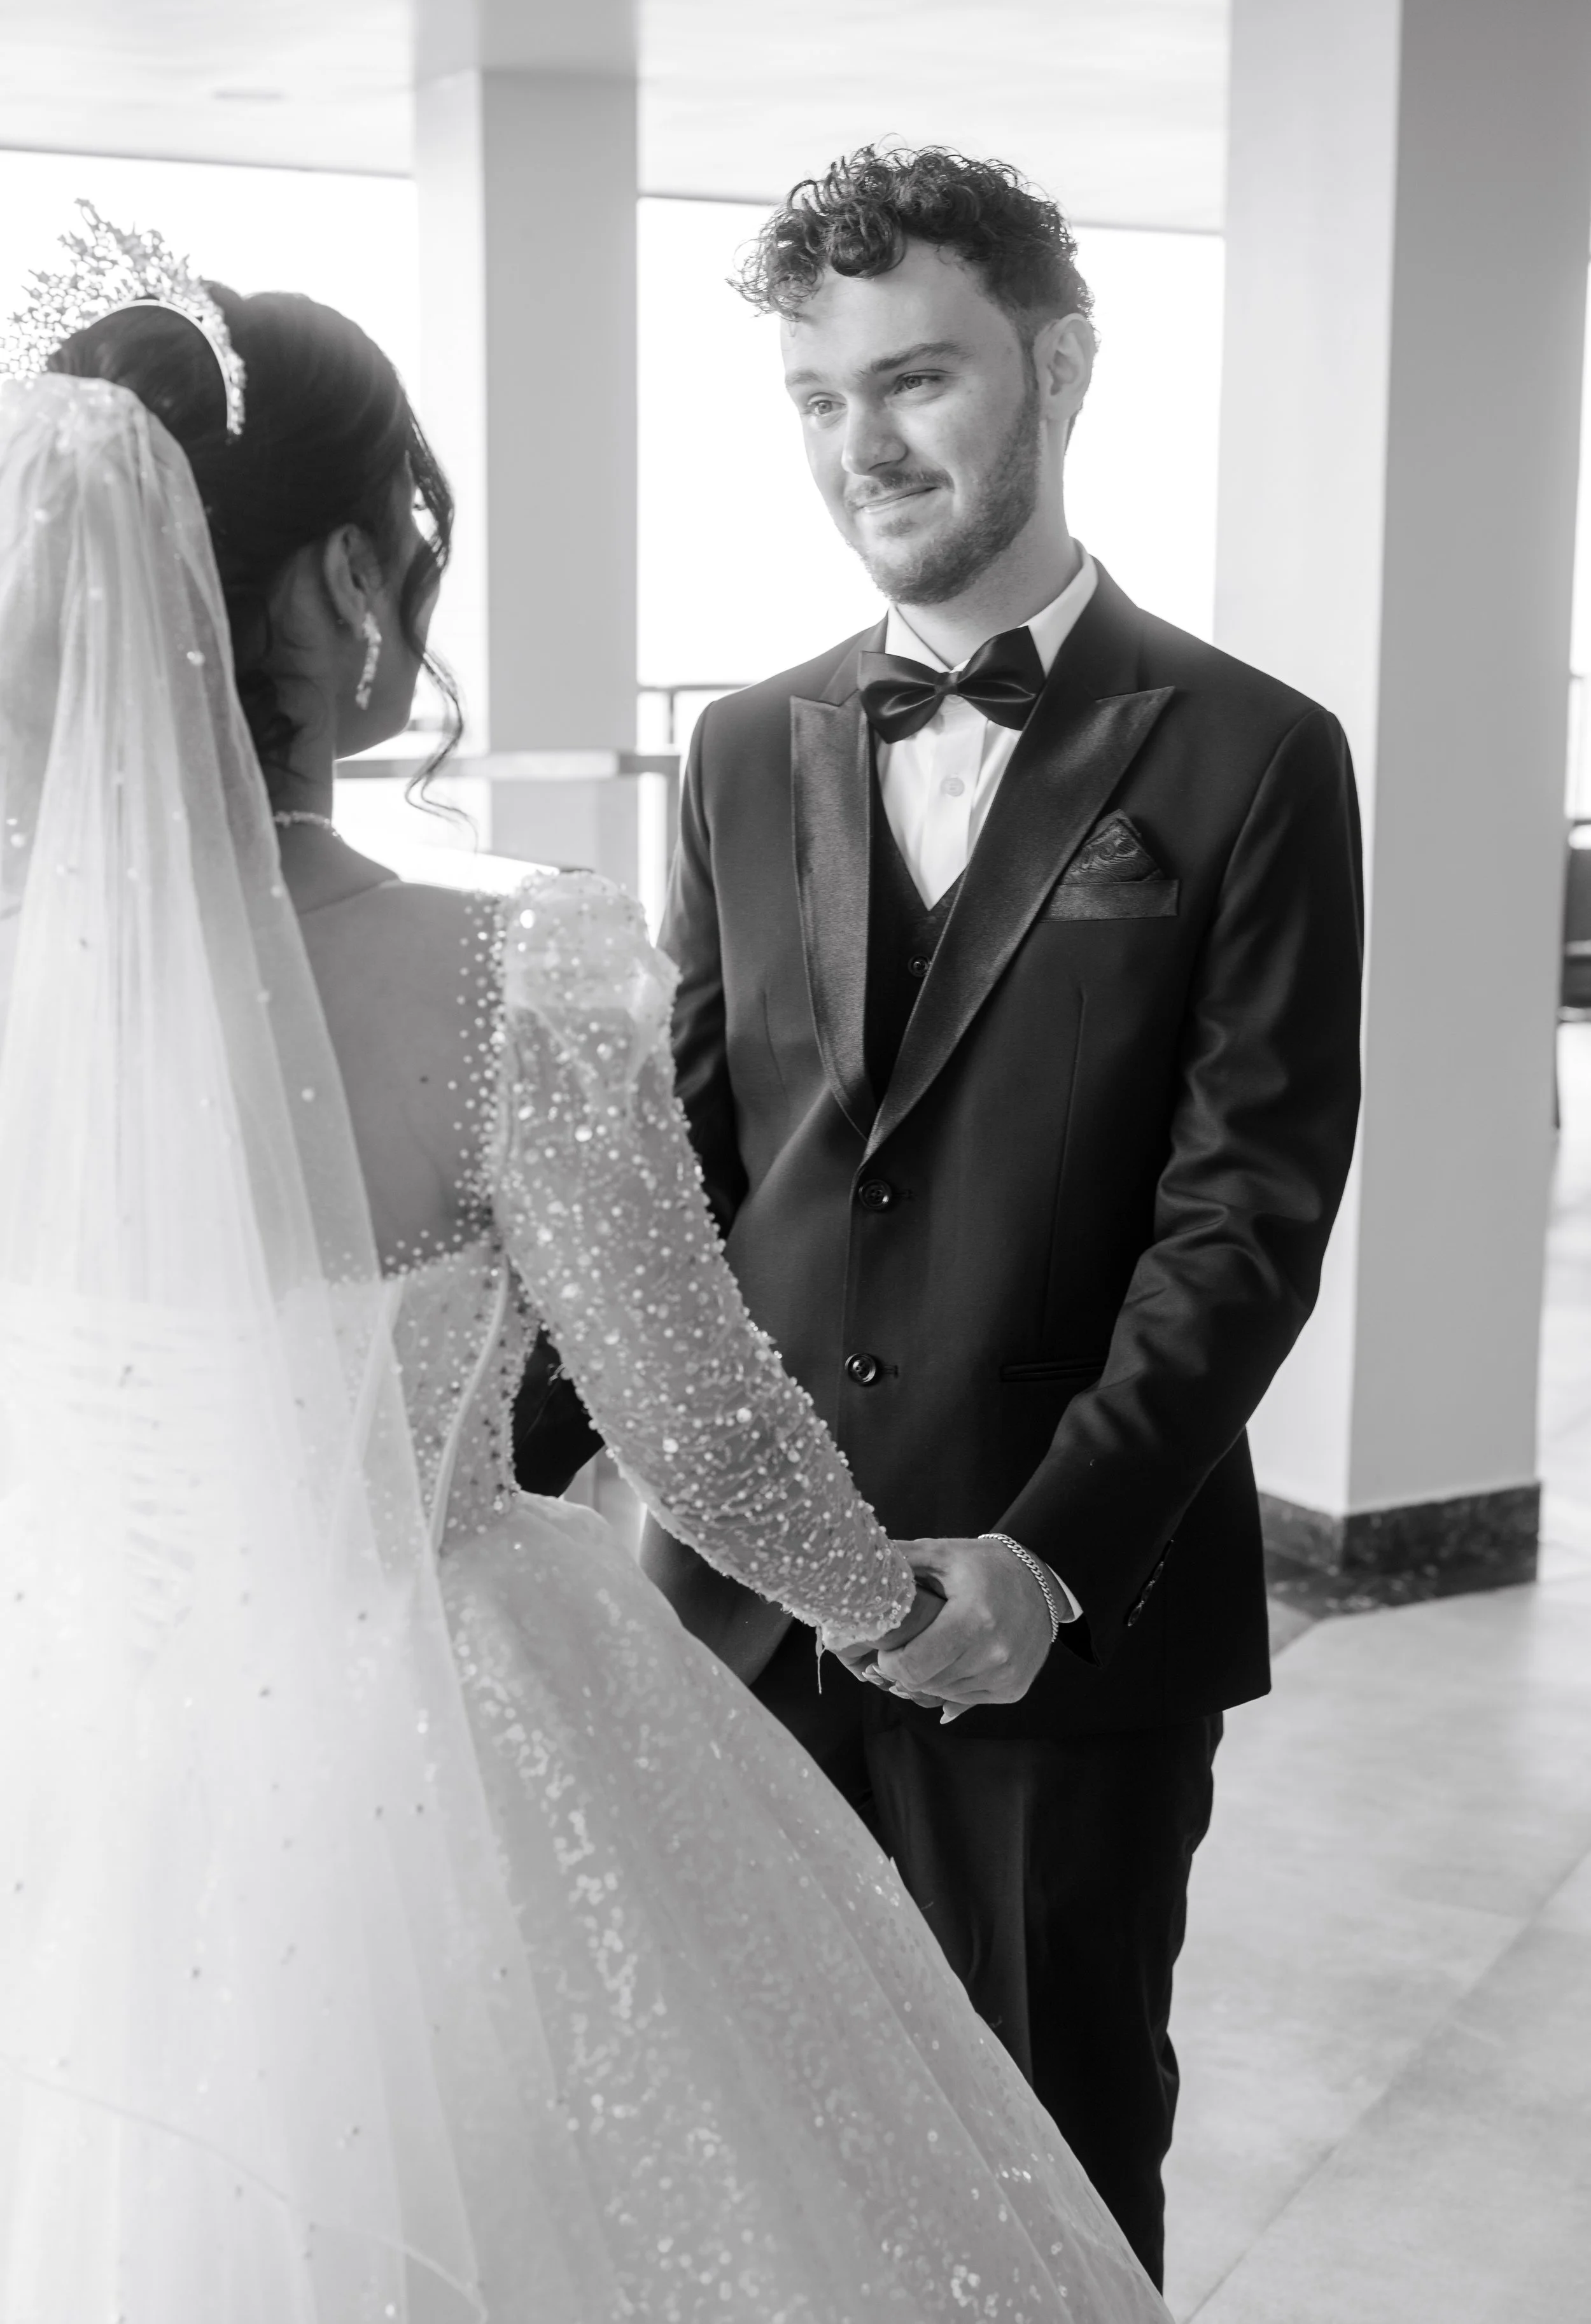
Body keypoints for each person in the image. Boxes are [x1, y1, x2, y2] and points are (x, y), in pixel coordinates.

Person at [0, 216, 1170, 2321]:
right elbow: (702, 1422)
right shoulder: (499, 974)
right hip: (446, 1747)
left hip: (85, 1742)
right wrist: (906, 1601)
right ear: (355, 579)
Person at [645, 145, 1364, 2286]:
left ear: (1058, 361)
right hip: (741, 1608)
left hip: (1061, 1628)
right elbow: (697, 1164)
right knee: (752, 2148)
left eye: (917, 377)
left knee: (1041, 2169)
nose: (861, 444)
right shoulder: (743, 744)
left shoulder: (1252, 753)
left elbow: (1243, 1212)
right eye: (813, 396)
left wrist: (1044, 1560)